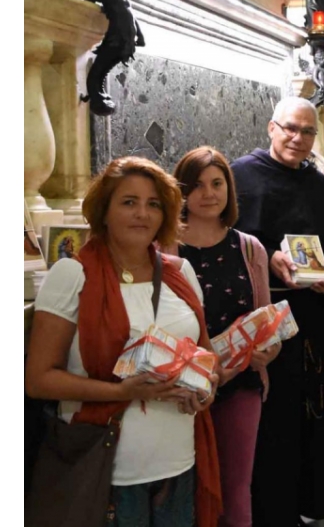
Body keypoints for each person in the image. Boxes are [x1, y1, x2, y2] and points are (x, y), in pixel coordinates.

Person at [25, 156, 222, 527]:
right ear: (104, 210)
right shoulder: (72, 275)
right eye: (128, 202)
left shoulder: (181, 272)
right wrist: (127, 391)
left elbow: (206, 357)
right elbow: (38, 380)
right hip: (108, 466)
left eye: (153, 204)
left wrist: (206, 388)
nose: (142, 214)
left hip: (178, 461)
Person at [230, 96, 324, 526]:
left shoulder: (318, 183)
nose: (298, 138)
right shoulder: (240, 176)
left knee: (312, 416)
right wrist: (269, 258)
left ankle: (306, 502)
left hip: (313, 322)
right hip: (263, 323)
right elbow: (224, 241)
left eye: (307, 132)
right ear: (271, 128)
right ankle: (268, 513)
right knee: (271, 423)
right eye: (290, 128)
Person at [171, 146, 281, 527]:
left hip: (240, 384)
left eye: (217, 183)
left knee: (236, 488)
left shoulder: (250, 248)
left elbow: (268, 323)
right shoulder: (164, 248)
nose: (209, 193)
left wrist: (269, 349)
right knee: (188, 486)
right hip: (180, 387)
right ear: (181, 192)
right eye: (197, 185)